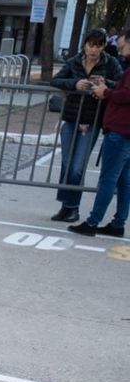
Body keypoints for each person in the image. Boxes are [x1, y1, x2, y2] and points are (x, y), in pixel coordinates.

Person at [50, 28, 123, 223]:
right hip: (71, 117)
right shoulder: (75, 60)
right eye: (91, 45)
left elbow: (121, 84)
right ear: (85, 44)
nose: (93, 50)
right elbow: (56, 79)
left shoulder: (110, 63)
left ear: (104, 46)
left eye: (98, 46)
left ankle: (73, 207)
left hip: (91, 121)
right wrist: (75, 84)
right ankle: (65, 206)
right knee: (66, 164)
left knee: (77, 167)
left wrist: (105, 84)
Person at [69, 33, 130, 238]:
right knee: (123, 180)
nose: (119, 51)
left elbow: (126, 95)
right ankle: (118, 222)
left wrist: (106, 92)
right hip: (123, 131)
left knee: (108, 179)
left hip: (121, 130)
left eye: (122, 47)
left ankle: (93, 221)